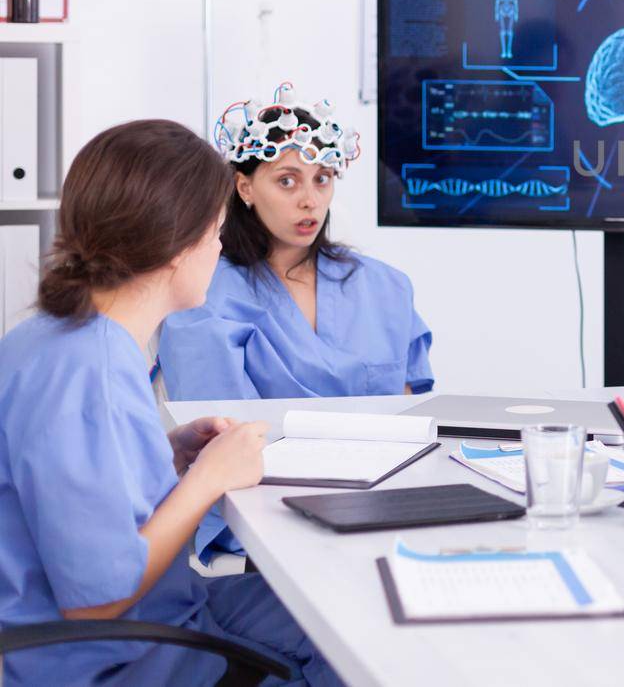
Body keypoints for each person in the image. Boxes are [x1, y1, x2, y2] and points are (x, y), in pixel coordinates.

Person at [0, 120, 340, 686]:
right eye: (215, 231)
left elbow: (70, 483)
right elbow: (96, 602)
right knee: (345, 649)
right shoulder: (90, 366)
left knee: (332, 607)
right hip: (119, 655)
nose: (220, 246)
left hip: (160, 615)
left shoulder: (57, 337)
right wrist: (206, 479)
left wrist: (169, 455)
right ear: (177, 245)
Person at [156, 83, 435, 404]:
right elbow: (216, 427)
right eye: (287, 181)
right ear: (244, 187)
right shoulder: (205, 295)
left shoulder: (385, 288)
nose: (310, 201)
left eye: (322, 179)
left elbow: (409, 412)